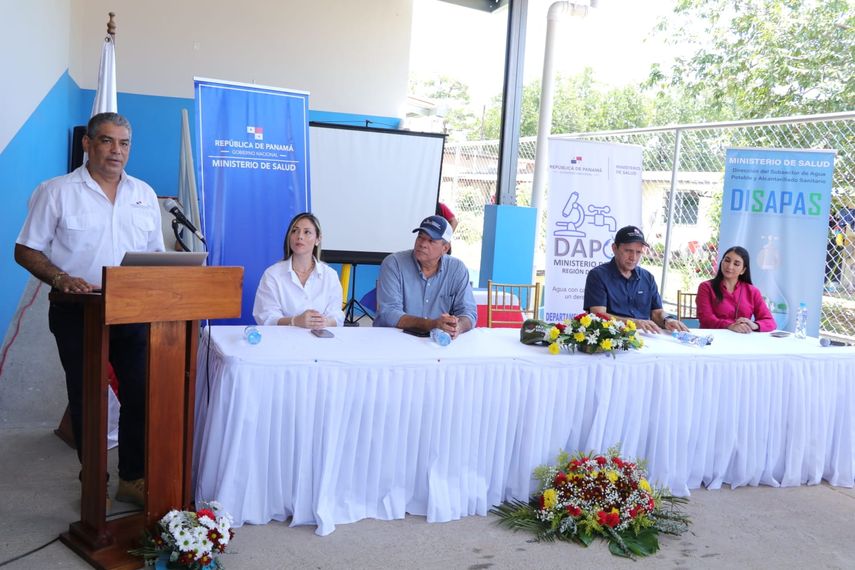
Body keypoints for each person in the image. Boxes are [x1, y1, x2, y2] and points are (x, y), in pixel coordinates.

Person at [14, 112, 164, 507]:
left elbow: (155, 256)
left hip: (131, 311)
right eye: (107, 141)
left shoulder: (144, 194)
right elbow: (25, 249)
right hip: (77, 311)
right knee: (87, 398)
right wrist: (60, 277)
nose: (117, 151)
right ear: (87, 143)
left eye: (124, 143)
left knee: (140, 393)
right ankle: (93, 479)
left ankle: (132, 477)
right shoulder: (56, 191)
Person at [374, 215, 476, 339]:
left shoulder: (457, 269)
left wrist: (457, 327)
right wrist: (431, 324)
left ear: (445, 248)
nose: (422, 244)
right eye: (420, 237)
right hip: (393, 339)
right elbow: (389, 313)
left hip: (435, 341)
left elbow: (468, 312)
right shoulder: (394, 263)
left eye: (431, 241)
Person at [584, 225, 688, 334]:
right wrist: (634, 323)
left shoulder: (648, 277)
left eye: (638, 252)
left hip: (647, 338)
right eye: (628, 251)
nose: (633, 257)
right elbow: (598, 315)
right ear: (614, 248)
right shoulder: (598, 275)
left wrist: (667, 320)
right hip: (612, 337)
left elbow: (657, 313)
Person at [253, 212, 344, 328]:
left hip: (320, 337)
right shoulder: (272, 274)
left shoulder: (330, 275)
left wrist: (326, 322)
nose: (299, 236)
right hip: (282, 337)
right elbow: (265, 317)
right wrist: (295, 321)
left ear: (318, 239)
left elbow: (336, 316)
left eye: (307, 232)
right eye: (295, 231)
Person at [696, 246, 775, 333]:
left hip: (742, 338)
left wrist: (755, 325)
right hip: (713, 337)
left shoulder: (753, 291)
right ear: (721, 262)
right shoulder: (706, 287)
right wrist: (729, 325)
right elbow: (706, 319)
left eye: (736, 264)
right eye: (727, 260)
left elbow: (770, 322)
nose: (730, 266)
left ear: (743, 270)